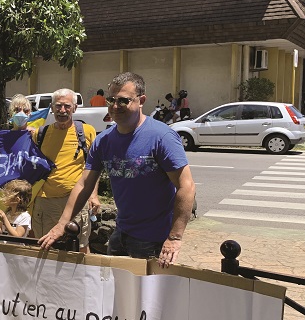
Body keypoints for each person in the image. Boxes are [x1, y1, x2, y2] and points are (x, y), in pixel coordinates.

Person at [38, 72, 196, 268]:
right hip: (121, 233)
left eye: (123, 101)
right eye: (111, 100)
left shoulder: (161, 137)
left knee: (146, 296)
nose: (114, 106)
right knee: (114, 292)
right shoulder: (104, 140)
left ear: (141, 101)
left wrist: (174, 237)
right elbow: (84, 184)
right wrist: (62, 224)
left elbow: (186, 186)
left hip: (153, 239)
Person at [30, 89, 99, 253]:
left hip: (77, 201)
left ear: (74, 108)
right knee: (45, 247)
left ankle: (83, 279)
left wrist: (94, 194)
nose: (62, 110)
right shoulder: (40, 133)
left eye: (67, 106)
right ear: (52, 108)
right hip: (46, 202)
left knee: (81, 248)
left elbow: (95, 166)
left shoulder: (87, 132)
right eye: (58, 106)